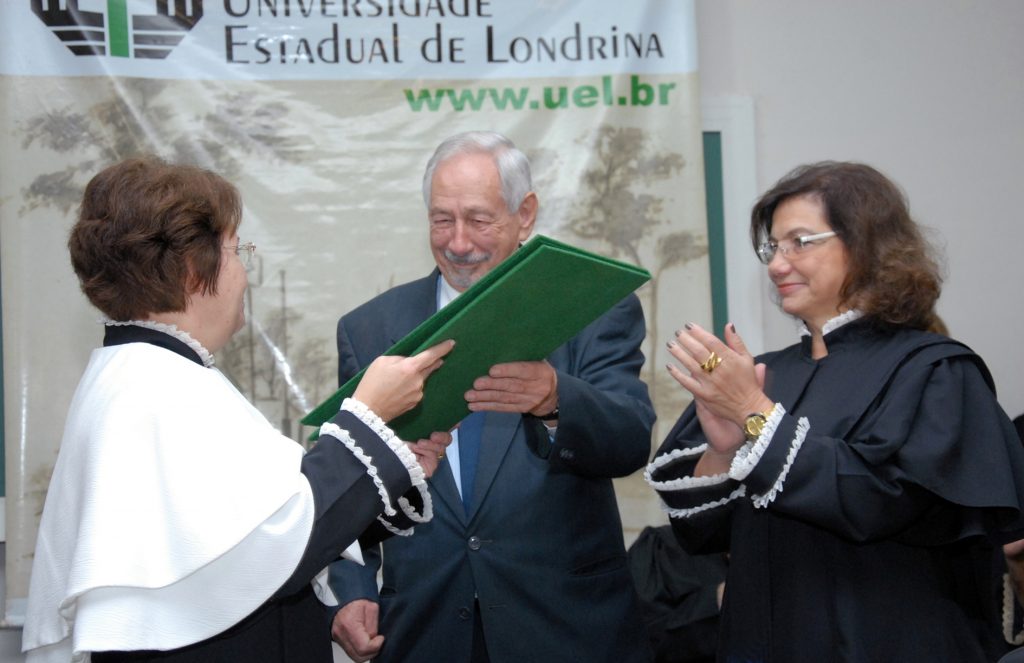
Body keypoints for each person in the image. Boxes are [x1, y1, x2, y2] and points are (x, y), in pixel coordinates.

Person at [22, 157, 456, 663]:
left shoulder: (150, 373)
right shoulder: (155, 387)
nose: (244, 274)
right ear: (192, 270)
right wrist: (367, 416)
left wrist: (391, 461)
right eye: (236, 251)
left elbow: (263, 531)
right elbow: (281, 543)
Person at [646, 161, 1024, 662]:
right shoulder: (763, 372)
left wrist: (756, 416)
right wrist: (724, 449)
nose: (777, 265)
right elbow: (701, 537)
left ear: (866, 244)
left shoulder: (934, 371)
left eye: (800, 242)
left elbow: (878, 501)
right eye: (772, 248)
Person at [327, 131, 656, 663]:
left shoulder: (591, 307)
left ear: (525, 214)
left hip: (565, 629)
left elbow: (629, 440)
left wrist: (554, 397)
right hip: (425, 629)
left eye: (479, 220)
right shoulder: (369, 330)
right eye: (441, 219)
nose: (458, 242)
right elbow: (347, 476)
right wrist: (350, 587)